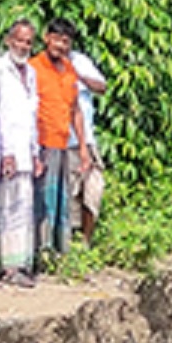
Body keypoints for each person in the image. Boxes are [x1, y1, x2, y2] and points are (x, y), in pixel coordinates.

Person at [30, 17, 92, 266]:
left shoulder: (70, 69)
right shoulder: (34, 67)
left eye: (65, 41)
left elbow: (75, 110)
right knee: (42, 200)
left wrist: (84, 148)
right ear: (46, 38)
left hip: (65, 142)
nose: (60, 45)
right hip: (42, 142)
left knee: (61, 201)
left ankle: (60, 252)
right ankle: (40, 253)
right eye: (56, 39)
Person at [0, 20, 39, 288]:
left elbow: (31, 115)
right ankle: (9, 267)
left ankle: (22, 264)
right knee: (7, 209)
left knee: (24, 209)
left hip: (25, 150)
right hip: (6, 149)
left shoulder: (30, 73)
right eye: (19, 40)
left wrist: (35, 152)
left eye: (28, 42)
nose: (23, 46)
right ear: (9, 40)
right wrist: (4, 151)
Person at [70, 44, 107, 240]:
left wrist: (78, 76)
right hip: (60, 141)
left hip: (87, 140)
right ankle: (64, 247)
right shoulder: (41, 65)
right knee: (68, 196)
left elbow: (102, 87)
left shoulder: (80, 61)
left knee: (93, 191)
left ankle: (86, 243)